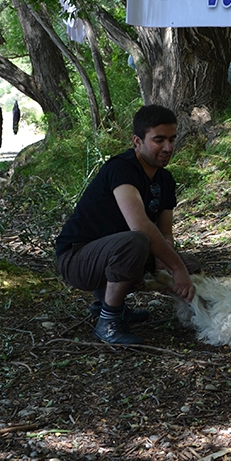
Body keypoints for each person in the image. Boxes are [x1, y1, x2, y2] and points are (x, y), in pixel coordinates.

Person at [56, 104, 197, 346]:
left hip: (112, 252)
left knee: (190, 264)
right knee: (136, 242)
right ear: (137, 141)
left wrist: (171, 263)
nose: (168, 148)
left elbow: (165, 233)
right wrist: (176, 268)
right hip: (77, 258)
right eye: (159, 140)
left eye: (172, 139)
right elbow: (140, 226)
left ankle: (109, 304)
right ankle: (108, 322)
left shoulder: (165, 179)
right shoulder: (122, 168)